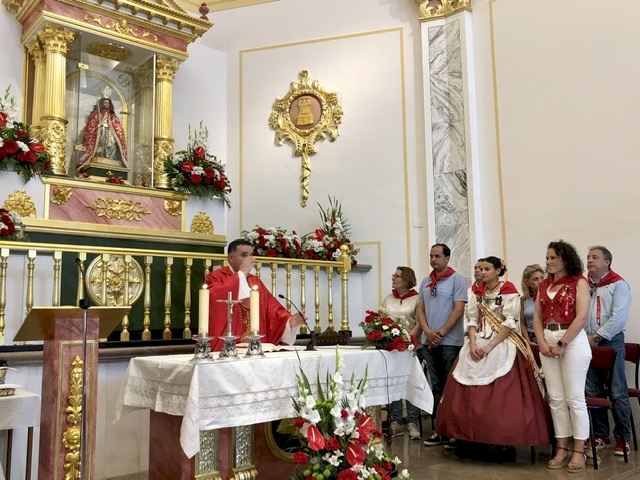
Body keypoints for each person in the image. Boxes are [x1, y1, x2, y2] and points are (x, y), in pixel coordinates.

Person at [436, 257, 551, 447]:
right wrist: (473, 345)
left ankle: (499, 437)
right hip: (478, 339)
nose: (481, 272)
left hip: (501, 341)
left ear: (498, 271)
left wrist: (489, 347)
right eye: (480, 269)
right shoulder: (476, 291)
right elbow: (472, 320)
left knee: (502, 391)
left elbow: (510, 322)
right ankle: (468, 436)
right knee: (464, 383)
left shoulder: (508, 290)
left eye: (486, 269)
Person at [533, 240, 591, 473]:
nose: (548, 262)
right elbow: (537, 317)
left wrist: (562, 343)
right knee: (556, 398)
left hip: (572, 340)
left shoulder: (579, 282)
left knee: (574, 398)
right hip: (547, 338)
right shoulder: (544, 284)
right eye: (547, 258)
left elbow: (581, 316)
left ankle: (579, 450)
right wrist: (541, 342)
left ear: (565, 259)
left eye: (552, 258)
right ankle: (562, 447)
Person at [206, 239, 306, 351]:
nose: (249, 259)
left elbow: (272, 311)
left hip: (255, 348)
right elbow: (214, 301)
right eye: (244, 255)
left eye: (251, 255)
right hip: (228, 347)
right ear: (231, 258)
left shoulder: (255, 281)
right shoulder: (216, 277)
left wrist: (289, 322)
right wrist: (241, 274)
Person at [415, 244, 467, 447]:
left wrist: (442, 332)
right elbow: (420, 308)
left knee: (450, 386)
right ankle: (439, 430)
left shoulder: (457, 279)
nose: (433, 259)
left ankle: (454, 431)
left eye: (437, 256)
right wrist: (427, 331)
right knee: (436, 386)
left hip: (450, 342)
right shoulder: (426, 281)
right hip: (429, 341)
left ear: (447, 258)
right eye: (431, 256)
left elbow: (459, 309)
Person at [584, 246, 632, 457]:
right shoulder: (584, 285)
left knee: (617, 390)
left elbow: (618, 317)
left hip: (610, 342)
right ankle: (600, 435)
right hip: (587, 343)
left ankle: (622, 437)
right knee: (592, 390)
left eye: (595, 257)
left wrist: (597, 337)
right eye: (588, 257)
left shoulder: (618, 284)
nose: (589, 260)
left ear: (607, 262)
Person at [382, 266, 421, 440]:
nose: (393, 278)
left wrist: (408, 340)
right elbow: (381, 320)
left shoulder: (417, 299)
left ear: (406, 279)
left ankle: (412, 422)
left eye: (397, 276)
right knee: (394, 383)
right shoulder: (388, 299)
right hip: (392, 348)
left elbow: (420, 323)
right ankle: (395, 421)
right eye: (393, 275)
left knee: (410, 383)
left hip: (410, 346)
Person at [77, 96, 128, 172]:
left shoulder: (112, 115)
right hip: (100, 131)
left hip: (110, 132)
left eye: (108, 103)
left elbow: (118, 127)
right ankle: (100, 155)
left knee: (113, 143)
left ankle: (110, 156)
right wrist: (100, 124)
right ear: (102, 103)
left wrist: (113, 127)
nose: (106, 104)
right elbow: (92, 125)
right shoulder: (97, 113)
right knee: (101, 143)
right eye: (105, 102)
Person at [520, 264, 545, 342]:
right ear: (527, 282)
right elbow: (522, 323)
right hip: (531, 338)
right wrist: (527, 340)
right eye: (535, 279)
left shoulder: (549, 297)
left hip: (546, 336)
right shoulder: (523, 299)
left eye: (542, 278)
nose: (540, 282)